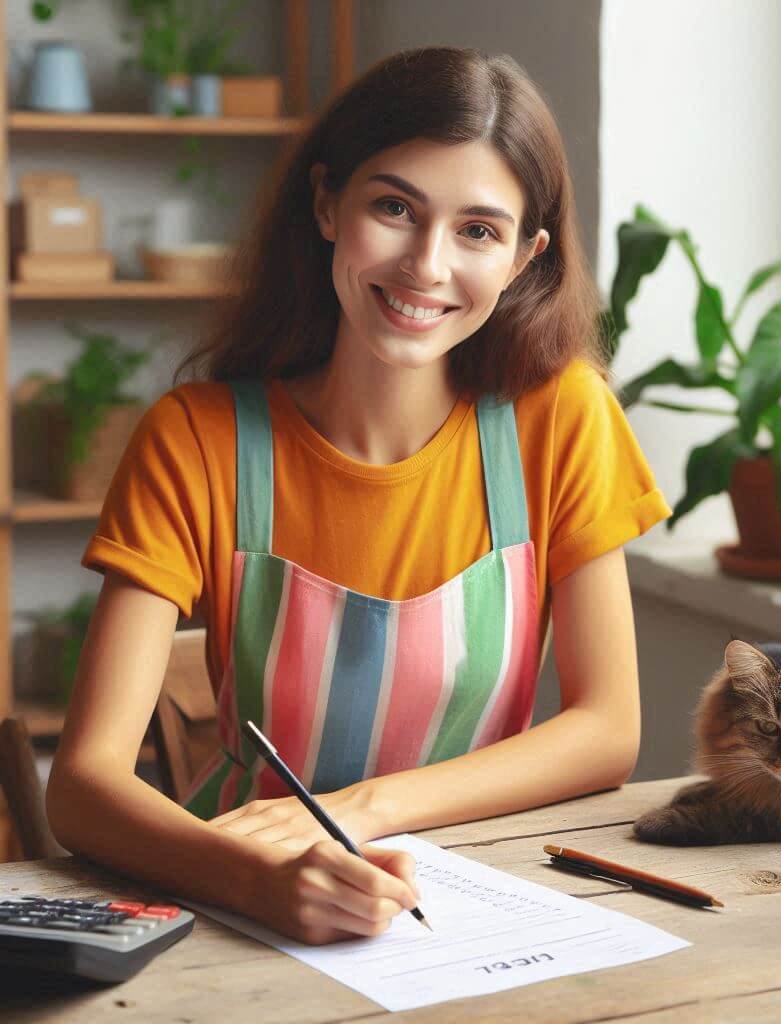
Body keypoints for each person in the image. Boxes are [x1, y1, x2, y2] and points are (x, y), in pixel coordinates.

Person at [46, 47, 670, 946]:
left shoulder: (562, 417)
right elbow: (84, 784)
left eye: (478, 231)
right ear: (326, 203)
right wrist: (259, 882)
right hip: (236, 904)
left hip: (480, 908)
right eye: (394, 207)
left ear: (526, 257)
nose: (425, 265)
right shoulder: (198, 438)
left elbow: (608, 729)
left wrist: (359, 810)